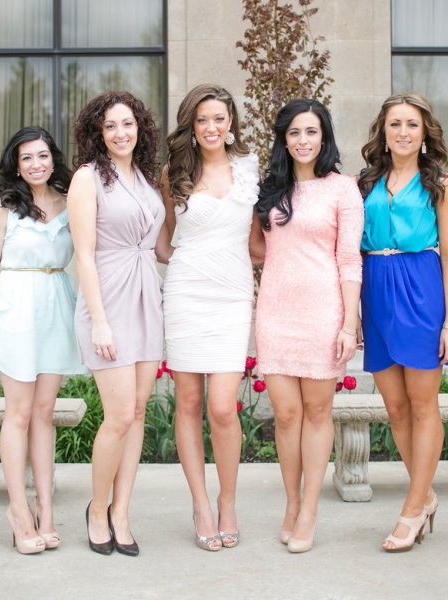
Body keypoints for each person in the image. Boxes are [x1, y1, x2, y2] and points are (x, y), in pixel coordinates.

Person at [250, 99, 363, 553]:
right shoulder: (268, 190)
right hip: (275, 312)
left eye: (311, 131)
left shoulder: (343, 189)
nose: (303, 140)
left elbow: (349, 259)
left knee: (317, 413)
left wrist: (348, 323)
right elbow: (256, 249)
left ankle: (310, 510)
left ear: (324, 137)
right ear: (284, 138)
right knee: (286, 415)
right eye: (294, 132)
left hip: (323, 312)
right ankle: (291, 503)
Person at [358, 93, 448, 552]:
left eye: (412, 125)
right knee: (396, 408)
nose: (403, 132)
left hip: (421, 290)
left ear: (424, 134)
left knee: (423, 407)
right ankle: (426, 495)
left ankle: (413, 508)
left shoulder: (440, 183)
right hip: (376, 291)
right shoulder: (365, 182)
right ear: (383, 131)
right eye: (395, 124)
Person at [158, 83, 258, 551]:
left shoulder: (250, 170)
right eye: (202, 119)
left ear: (231, 122)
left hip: (232, 293)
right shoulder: (173, 173)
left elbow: (258, 240)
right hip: (186, 291)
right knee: (188, 402)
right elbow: (166, 240)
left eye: (219, 118)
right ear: (191, 126)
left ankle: (228, 502)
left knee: (222, 406)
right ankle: (200, 504)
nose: (212, 127)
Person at [68, 91, 164, 557]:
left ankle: (121, 511)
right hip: (107, 299)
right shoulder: (88, 177)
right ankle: (96, 508)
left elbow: (158, 244)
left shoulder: (145, 178)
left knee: (138, 412)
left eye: (128, 124)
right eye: (110, 126)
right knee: (120, 414)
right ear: (98, 133)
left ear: (139, 128)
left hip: (147, 297)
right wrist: (99, 322)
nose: (121, 133)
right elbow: (83, 255)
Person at [0, 126, 83, 554]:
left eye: (42, 155)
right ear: (16, 165)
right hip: (17, 312)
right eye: (27, 158)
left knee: (44, 412)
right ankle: (19, 512)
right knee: (19, 413)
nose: (36, 164)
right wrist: (3, 318)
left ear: (53, 159)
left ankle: (46, 510)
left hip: (56, 305)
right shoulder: (3, 207)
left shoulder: (70, 203)